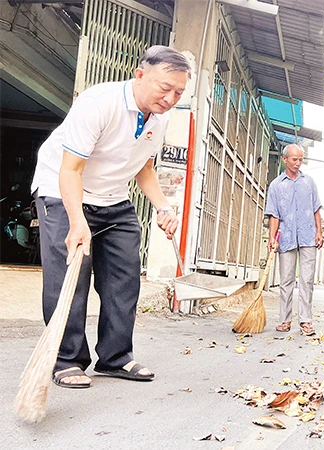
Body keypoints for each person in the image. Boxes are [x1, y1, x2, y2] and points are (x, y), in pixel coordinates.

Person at [30, 46, 191, 388]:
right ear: (140, 74)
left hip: (113, 199)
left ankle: (115, 358)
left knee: (124, 278)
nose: (171, 98)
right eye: (165, 88)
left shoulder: (159, 118)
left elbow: (143, 166)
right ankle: (66, 360)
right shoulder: (99, 103)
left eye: (179, 92)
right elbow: (70, 169)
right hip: (63, 191)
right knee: (70, 278)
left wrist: (163, 206)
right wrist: (77, 222)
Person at [266, 144, 324, 336]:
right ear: (284, 159)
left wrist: (319, 231)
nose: (298, 163)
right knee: (286, 280)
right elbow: (273, 215)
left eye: (301, 159)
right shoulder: (276, 185)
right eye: (294, 159)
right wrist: (272, 239)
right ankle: (285, 320)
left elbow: (316, 208)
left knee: (307, 280)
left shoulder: (309, 182)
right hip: (286, 236)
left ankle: (306, 321)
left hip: (308, 235)